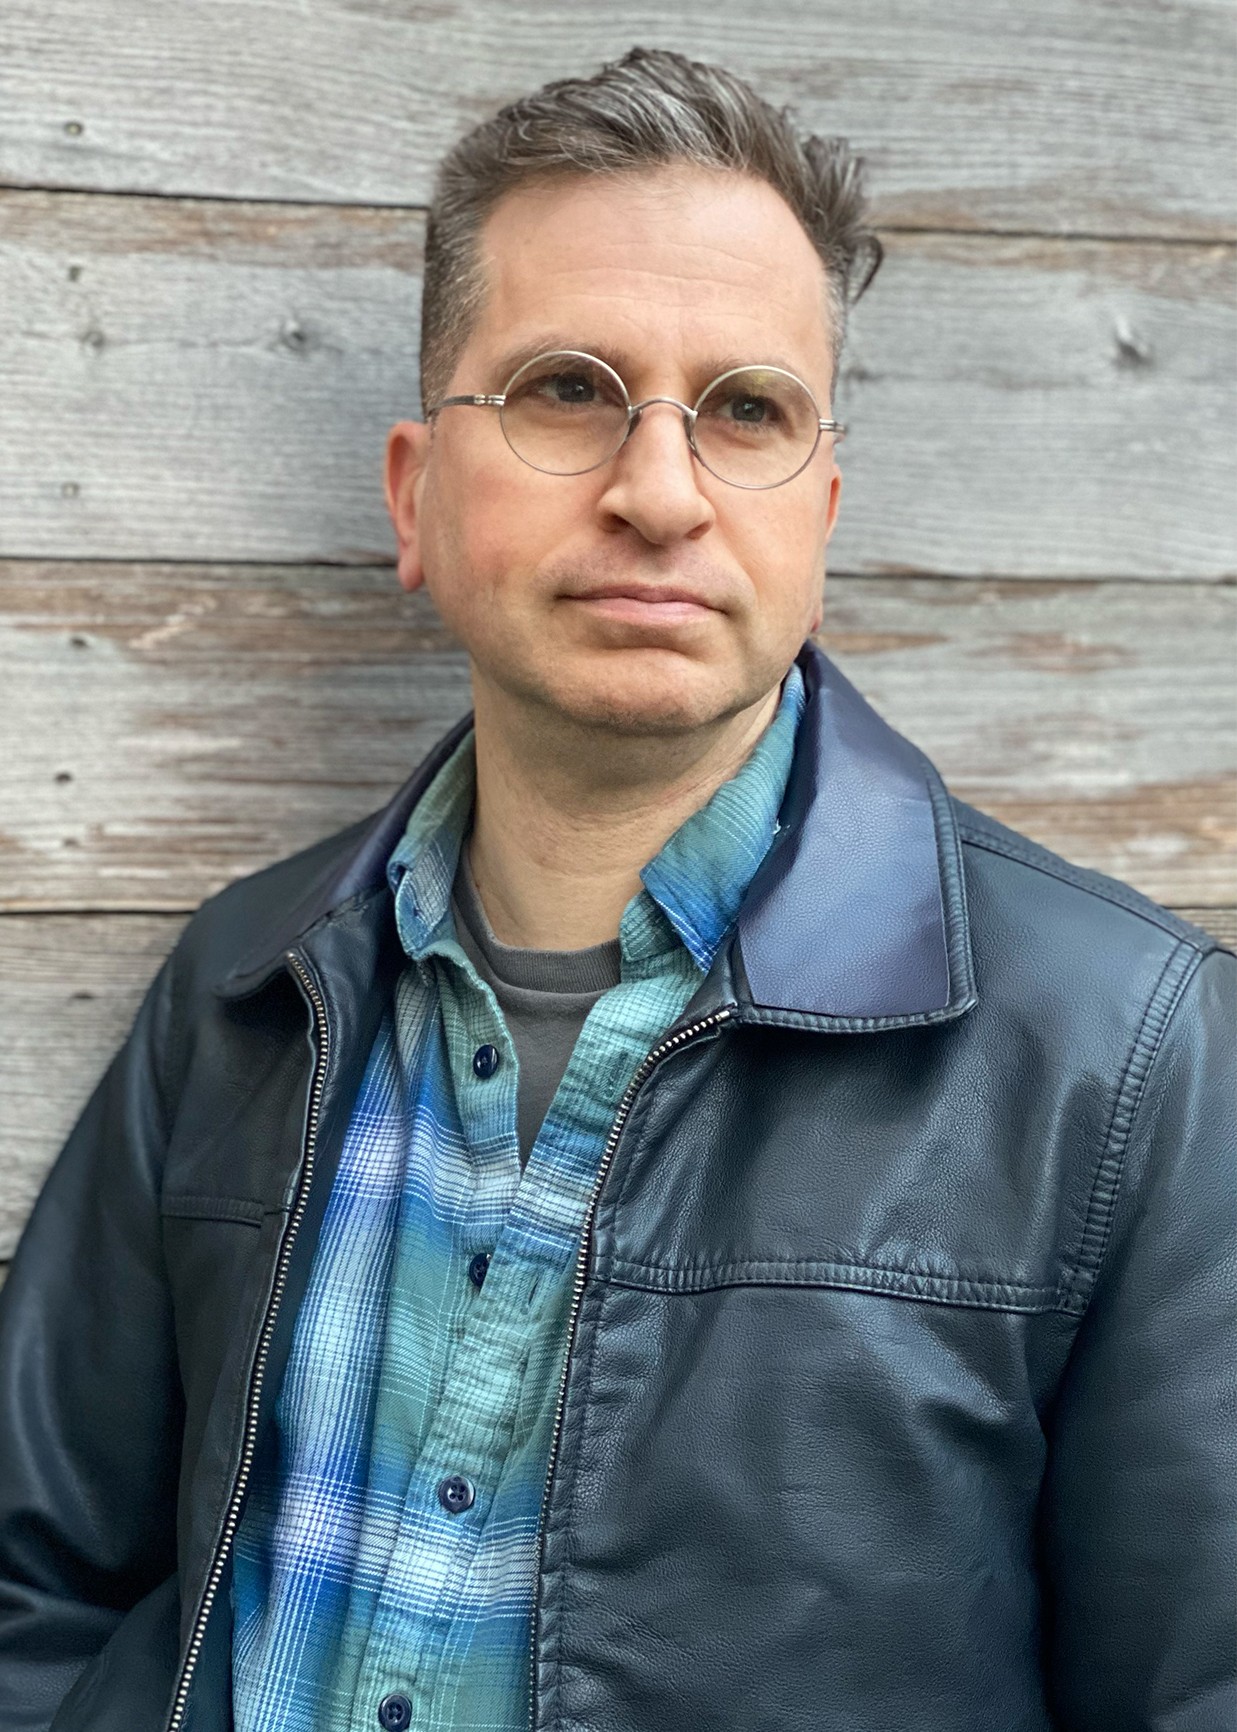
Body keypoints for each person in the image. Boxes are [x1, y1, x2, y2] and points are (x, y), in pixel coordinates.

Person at [0, 44, 1232, 1732]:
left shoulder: (1128, 1053)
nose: (659, 492)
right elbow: (34, 1587)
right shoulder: (246, 987)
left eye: (746, 411)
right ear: (416, 497)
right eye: (567, 390)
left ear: (819, 516)